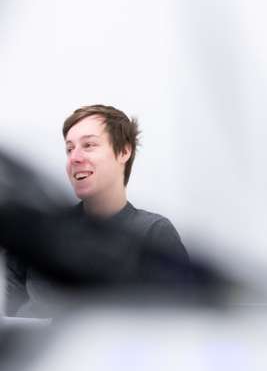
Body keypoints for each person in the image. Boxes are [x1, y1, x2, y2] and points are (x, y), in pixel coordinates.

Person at [5, 104, 190, 317]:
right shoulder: (35, 233)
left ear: (124, 151)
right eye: (69, 148)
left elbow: (177, 323)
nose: (74, 158)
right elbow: (11, 318)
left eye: (89, 145)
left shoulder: (154, 232)